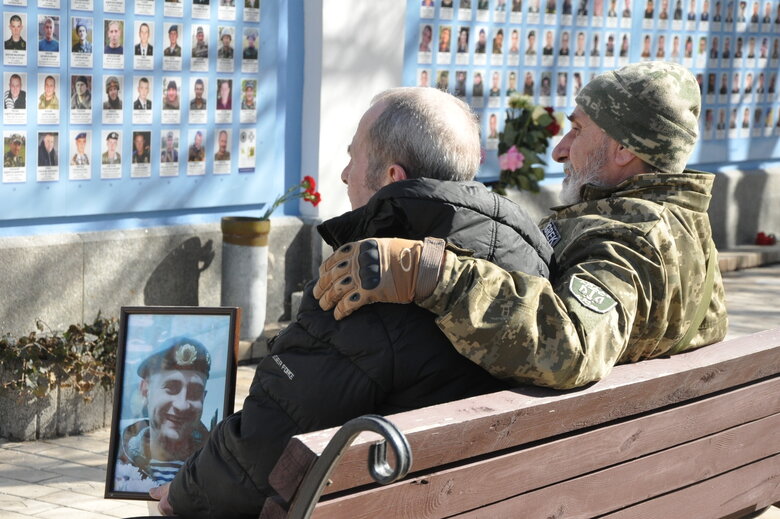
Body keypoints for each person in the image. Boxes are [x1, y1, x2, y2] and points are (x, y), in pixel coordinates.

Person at [151, 86, 551, 518]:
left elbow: (265, 447)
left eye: (352, 158)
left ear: (392, 177)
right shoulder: (527, 258)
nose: (344, 175)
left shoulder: (369, 278)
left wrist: (184, 492)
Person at [314, 61, 728, 392]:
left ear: (623, 149)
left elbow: (573, 346)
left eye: (577, 130)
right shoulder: (686, 227)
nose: (560, 150)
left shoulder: (631, 238)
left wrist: (432, 273)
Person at [116, 337, 212, 491]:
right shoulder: (120, 461)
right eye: (171, 388)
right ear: (145, 389)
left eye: (195, 392)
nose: (182, 405)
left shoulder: (216, 465)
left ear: (204, 398)